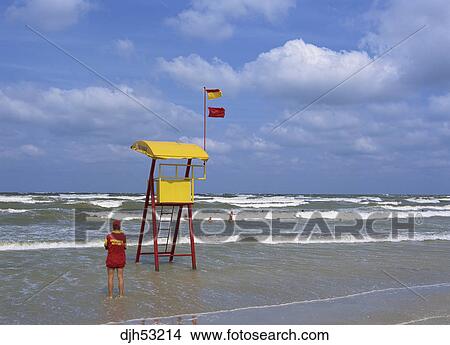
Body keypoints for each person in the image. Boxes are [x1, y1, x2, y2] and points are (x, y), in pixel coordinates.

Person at [104, 219, 126, 298]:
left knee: (110, 277)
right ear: (119, 226)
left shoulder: (108, 236)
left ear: (113, 227)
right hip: (120, 259)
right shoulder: (123, 236)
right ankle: (121, 295)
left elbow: (106, 246)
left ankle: (110, 296)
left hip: (111, 259)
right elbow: (125, 247)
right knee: (120, 277)